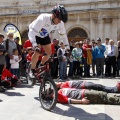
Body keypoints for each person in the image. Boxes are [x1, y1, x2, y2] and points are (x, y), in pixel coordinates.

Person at [28, 5, 68, 78]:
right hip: (34, 33)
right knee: (37, 51)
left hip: (44, 34)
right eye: (59, 19)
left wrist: (67, 48)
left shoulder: (60, 23)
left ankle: (41, 65)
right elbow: (32, 32)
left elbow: (63, 35)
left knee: (49, 52)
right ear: (53, 15)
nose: (59, 22)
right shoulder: (43, 18)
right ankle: (32, 69)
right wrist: (34, 45)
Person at [56, 80, 120, 93]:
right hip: (85, 86)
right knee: (101, 87)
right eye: (57, 83)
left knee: (101, 87)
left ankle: (114, 88)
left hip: (85, 83)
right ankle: (115, 89)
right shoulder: (63, 87)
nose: (59, 82)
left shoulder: (63, 84)